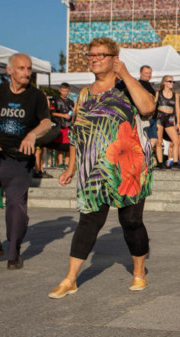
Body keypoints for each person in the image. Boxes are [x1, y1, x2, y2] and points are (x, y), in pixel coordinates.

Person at [48, 37, 155, 299]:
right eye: (91, 54)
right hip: (93, 169)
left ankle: (139, 271)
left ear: (114, 58)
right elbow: (76, 133)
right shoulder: (84, 94)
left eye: (101, 54)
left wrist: (127, 75)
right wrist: (71, 167)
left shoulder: (128, 87)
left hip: (129, 167)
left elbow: (148, 108)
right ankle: (70, 278)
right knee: (88, 221)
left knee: (130, 221)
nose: (94, 58)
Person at [0, 53, 53, 270]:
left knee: (15, 205)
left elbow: (46, 122)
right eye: (22, 68)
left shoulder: (36, 96)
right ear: (10, 71)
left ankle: (13, 252)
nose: (27, 72)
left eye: (29, 68)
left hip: (18, 159)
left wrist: (32, 135)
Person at [154, 75, 180, 169]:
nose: (172, 83)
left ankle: (176, 162)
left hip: (169, 118)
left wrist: (178, 123)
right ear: (164, 82)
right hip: (159, 117)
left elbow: (177, 109)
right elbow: (154, 106)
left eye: (173, 81)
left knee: (176, 140)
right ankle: (160, 163)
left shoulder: (175, 95)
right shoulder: (158, 93)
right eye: (170, 81)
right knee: (159, 141)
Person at [51, 82, 75, 168]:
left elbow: (74, 112)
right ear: (59, 90)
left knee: (69, 145)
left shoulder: (71, 102)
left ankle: (67, 163)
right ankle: (60, 162)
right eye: (63, 91)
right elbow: (52, 113)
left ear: (69, 91)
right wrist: (63, 115)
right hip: (60, 125)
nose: (65, 92)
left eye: (66, 91)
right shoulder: (55, 101)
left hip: (69, 126)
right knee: (60, 144)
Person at [139, 65, 158, 149]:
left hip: (153, 117)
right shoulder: (138, 85)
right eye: (146, 73)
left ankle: (147, 156)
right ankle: (144, 157)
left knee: (154, 138)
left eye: (150, 73)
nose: (148, 75)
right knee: (144, 139)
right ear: (140, 73)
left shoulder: (150, 85)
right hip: (144, 117)